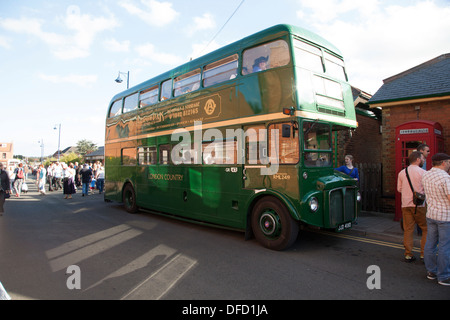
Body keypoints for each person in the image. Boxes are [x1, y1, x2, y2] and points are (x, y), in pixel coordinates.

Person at [422, 153, 450, 286]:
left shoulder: (426, 175)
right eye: (449, 162)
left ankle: (431, 272)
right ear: (444, 163)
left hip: (431, 214)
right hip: (445, 216)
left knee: (430, 244)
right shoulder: (445, 178)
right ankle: (443, 276)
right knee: (445, 246)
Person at [397, 151, 427, 262]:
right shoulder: (423, 172)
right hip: (419, 205)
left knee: (408, 230)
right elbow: (427, 189)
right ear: (418, 159)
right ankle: (423, 254)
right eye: (423, 158)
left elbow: (399, 189)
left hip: (405, 204)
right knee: (426, 229)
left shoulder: (401, 173)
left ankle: (408, 254)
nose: (424, 160)